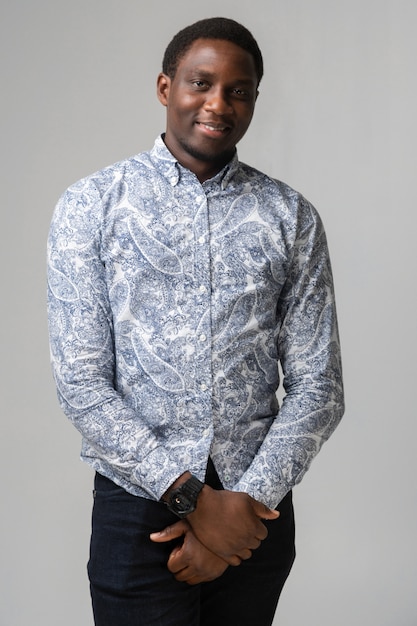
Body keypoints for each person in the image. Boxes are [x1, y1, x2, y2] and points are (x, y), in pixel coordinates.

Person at [47, 16, 344, 626]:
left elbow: (320, 388)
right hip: (138, 507)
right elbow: (82, 383)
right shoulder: (91, 206)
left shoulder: (291, 217)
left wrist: (243, 508)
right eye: (200, 83)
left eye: (238, 90)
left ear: (255, 100)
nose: (218, 104)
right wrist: (191, 501)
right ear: (165, 87)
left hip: (254, 510)